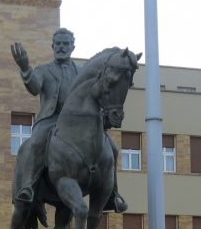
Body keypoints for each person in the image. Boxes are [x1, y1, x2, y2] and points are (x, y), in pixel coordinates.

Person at [11, 28, 127, 213]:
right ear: (53, 46)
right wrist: (25, 67)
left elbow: (95, 95)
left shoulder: (81, 72)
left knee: (111, 148)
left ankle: (113, 194)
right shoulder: (44, 70)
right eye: (58, 44)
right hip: (50, 120)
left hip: (76, 124)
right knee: (35, 143)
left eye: (66, 44)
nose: (61, 47)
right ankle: (27, 186)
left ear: (73, 47)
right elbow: (34, 87)